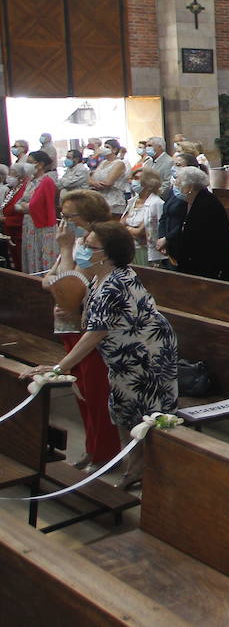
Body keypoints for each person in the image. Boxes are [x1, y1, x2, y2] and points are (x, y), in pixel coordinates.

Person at [26, 221, 179, 491]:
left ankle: (143, 471)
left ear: (106, 254)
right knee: (123, 410)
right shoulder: (101, 276)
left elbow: (96, 333)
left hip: (144, 354)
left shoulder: (114, 284)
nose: (83, 249)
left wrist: (58, 368)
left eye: (89, 246)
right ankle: (135, 467)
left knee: (140, 413)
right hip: (123, 353)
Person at [43, 192, 120, 469]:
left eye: (69, 216)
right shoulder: (78, 242)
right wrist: (61, 280)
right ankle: (92, 447)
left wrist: (65, 254)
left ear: (87, 216)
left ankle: (105, 454)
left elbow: (69, 291)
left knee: (96, 393)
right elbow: (49, 282)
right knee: (81, 392)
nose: (64, 222)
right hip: (69, 325)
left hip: (89, 327)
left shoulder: (96, 244)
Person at [165, 167, 229, 282]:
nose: (175, 187)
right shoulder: (190, 201)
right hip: (194, 265)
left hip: (209, 268)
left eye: (178, 184)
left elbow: (199, 240)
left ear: (190, 187)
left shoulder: (207, 205)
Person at [20, 150, 59, 273]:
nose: (26, 165)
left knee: (42, 253)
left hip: (42, 224)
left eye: (30, 162)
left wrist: (25, 206)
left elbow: (35, 205)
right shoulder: (30, 181)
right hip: (29, 222)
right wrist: (23, 206)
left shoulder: (46, 180)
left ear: (40, 165)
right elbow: (19, 201)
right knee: (31, 252)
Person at [121, 167, 165, 267]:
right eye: (133, 178)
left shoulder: (156, 203)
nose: (133, 181)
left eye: (137, 178)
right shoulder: (133, 201)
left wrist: (127, 228)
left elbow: (140, 232)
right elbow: (121, 225)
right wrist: (131, 229)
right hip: (129, 247)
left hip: (146, 251)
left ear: (149, 182)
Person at [88, 139, 128, 217]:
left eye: (107, 147)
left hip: (113, 202)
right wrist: (94, 183)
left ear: (114, 149)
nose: (104, 149)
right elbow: (89, 179)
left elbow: (108, 183)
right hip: (99, 200)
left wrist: (93, 183)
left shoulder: (119, 163)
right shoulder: (103, 162)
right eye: (104, 146)